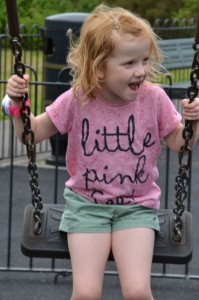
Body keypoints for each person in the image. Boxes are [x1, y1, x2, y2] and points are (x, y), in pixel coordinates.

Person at [2, 4, 199, 300]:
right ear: (99, 67)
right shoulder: (78, 98)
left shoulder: (154, 99)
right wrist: (15, 105)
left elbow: (179, 143)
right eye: (129, 63)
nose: (141, 71)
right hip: (86, 208)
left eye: (145, 60)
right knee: (86, 293)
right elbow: (32, 135)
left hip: (137, 208)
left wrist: (192, 123)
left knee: (136, 291)